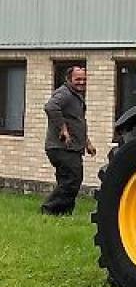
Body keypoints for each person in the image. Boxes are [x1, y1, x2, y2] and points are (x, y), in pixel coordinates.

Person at [42, 66, 96, 216]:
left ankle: (63, 213)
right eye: (78, 79)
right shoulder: (64, 93)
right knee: (73, 180)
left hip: (71, 147)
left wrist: (87, 143)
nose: (81, 82)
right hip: (61, 147)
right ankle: (48, 209)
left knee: (67, 180)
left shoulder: (76, 96)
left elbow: (77, 122)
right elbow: (51, 107)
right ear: (69, 79)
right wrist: (63, 129)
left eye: (84, 79)